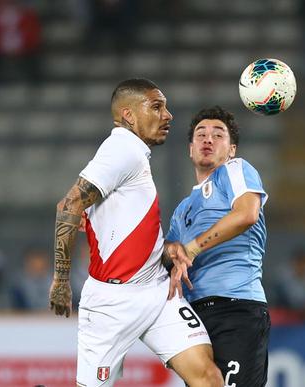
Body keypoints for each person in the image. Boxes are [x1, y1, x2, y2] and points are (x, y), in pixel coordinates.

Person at [48, 78, 223, 387]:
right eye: (156, 107)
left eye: (166, 108)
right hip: (112, 303)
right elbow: (69, 205)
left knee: (207, 377)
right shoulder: (121, 148)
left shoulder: (135, 154)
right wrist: (61, 280)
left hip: (158, 292)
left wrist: (166, 247)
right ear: (128, 115)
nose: (167, 115)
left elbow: (124, 223)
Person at [165, 106, 270, 387]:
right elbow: (167, 258)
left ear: (232, 149)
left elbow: (247, 214)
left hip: (237, 309)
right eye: (201, 134)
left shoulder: (235, 171)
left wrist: (193, 247)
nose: (207, 140)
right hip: (194, 317)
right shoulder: (182, 210)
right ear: (190, 149)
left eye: (218, 134)